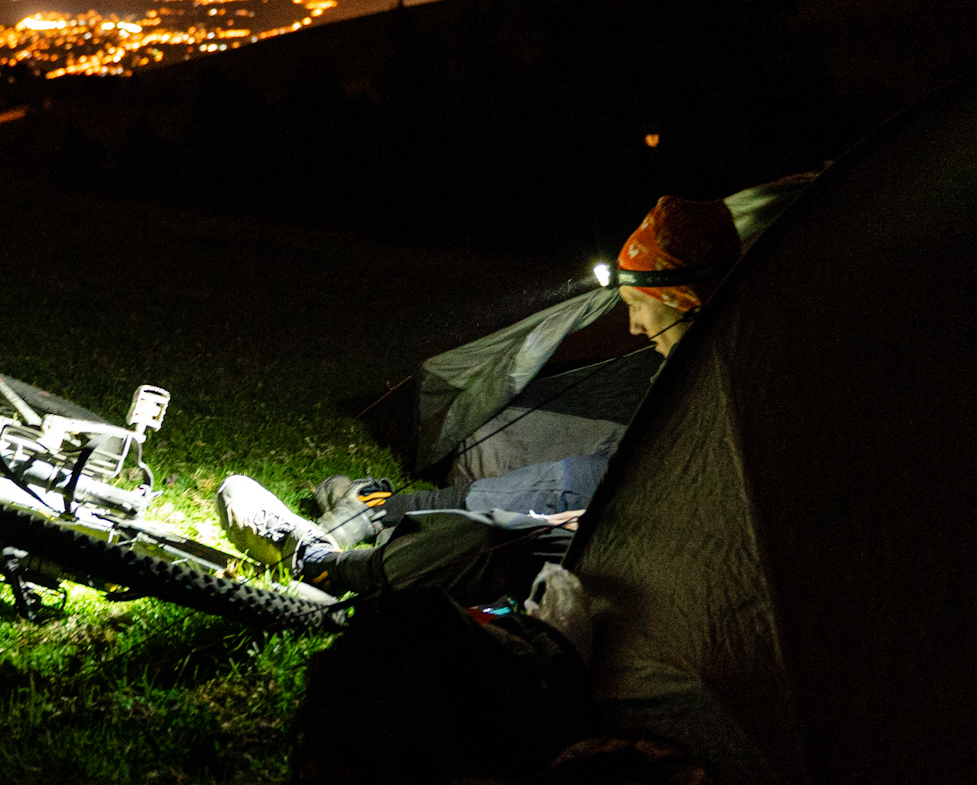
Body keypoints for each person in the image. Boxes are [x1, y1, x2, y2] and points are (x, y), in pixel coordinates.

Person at [217, 195, 741, 604]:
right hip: (641, 497)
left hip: (672, 548)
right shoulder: (702, 353)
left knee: (500, 541)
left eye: (637, 306)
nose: (631, 327)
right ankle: (379, 509)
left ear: (680, 300)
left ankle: (324, 564)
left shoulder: (737, 375)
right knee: (571, 474)